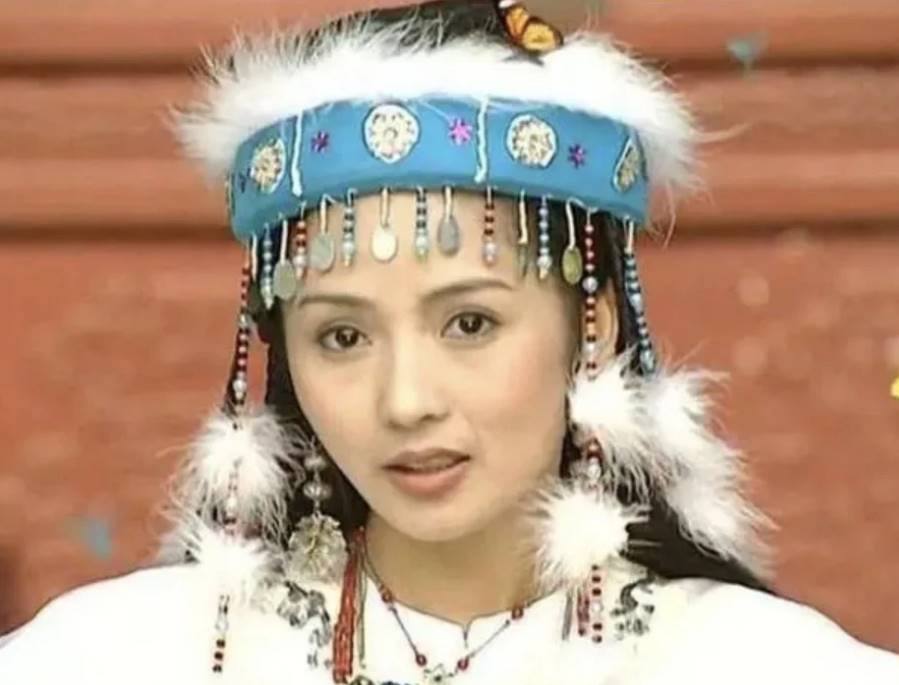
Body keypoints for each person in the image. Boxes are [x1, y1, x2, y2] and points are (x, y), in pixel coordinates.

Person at [1, 1, 896, 683]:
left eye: (469, 323)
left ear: (592, 327)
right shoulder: (117, 655)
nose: (405, 400)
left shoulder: (754, 662)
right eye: (342, 335)